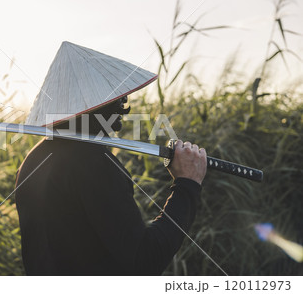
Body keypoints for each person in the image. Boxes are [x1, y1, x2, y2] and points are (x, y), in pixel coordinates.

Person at [15, 41, 207, 275]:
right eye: (116, 96)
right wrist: (187, 185)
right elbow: (145, 261)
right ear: (93, 105)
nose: (124, 102)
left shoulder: (34, 158)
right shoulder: (94, 164)